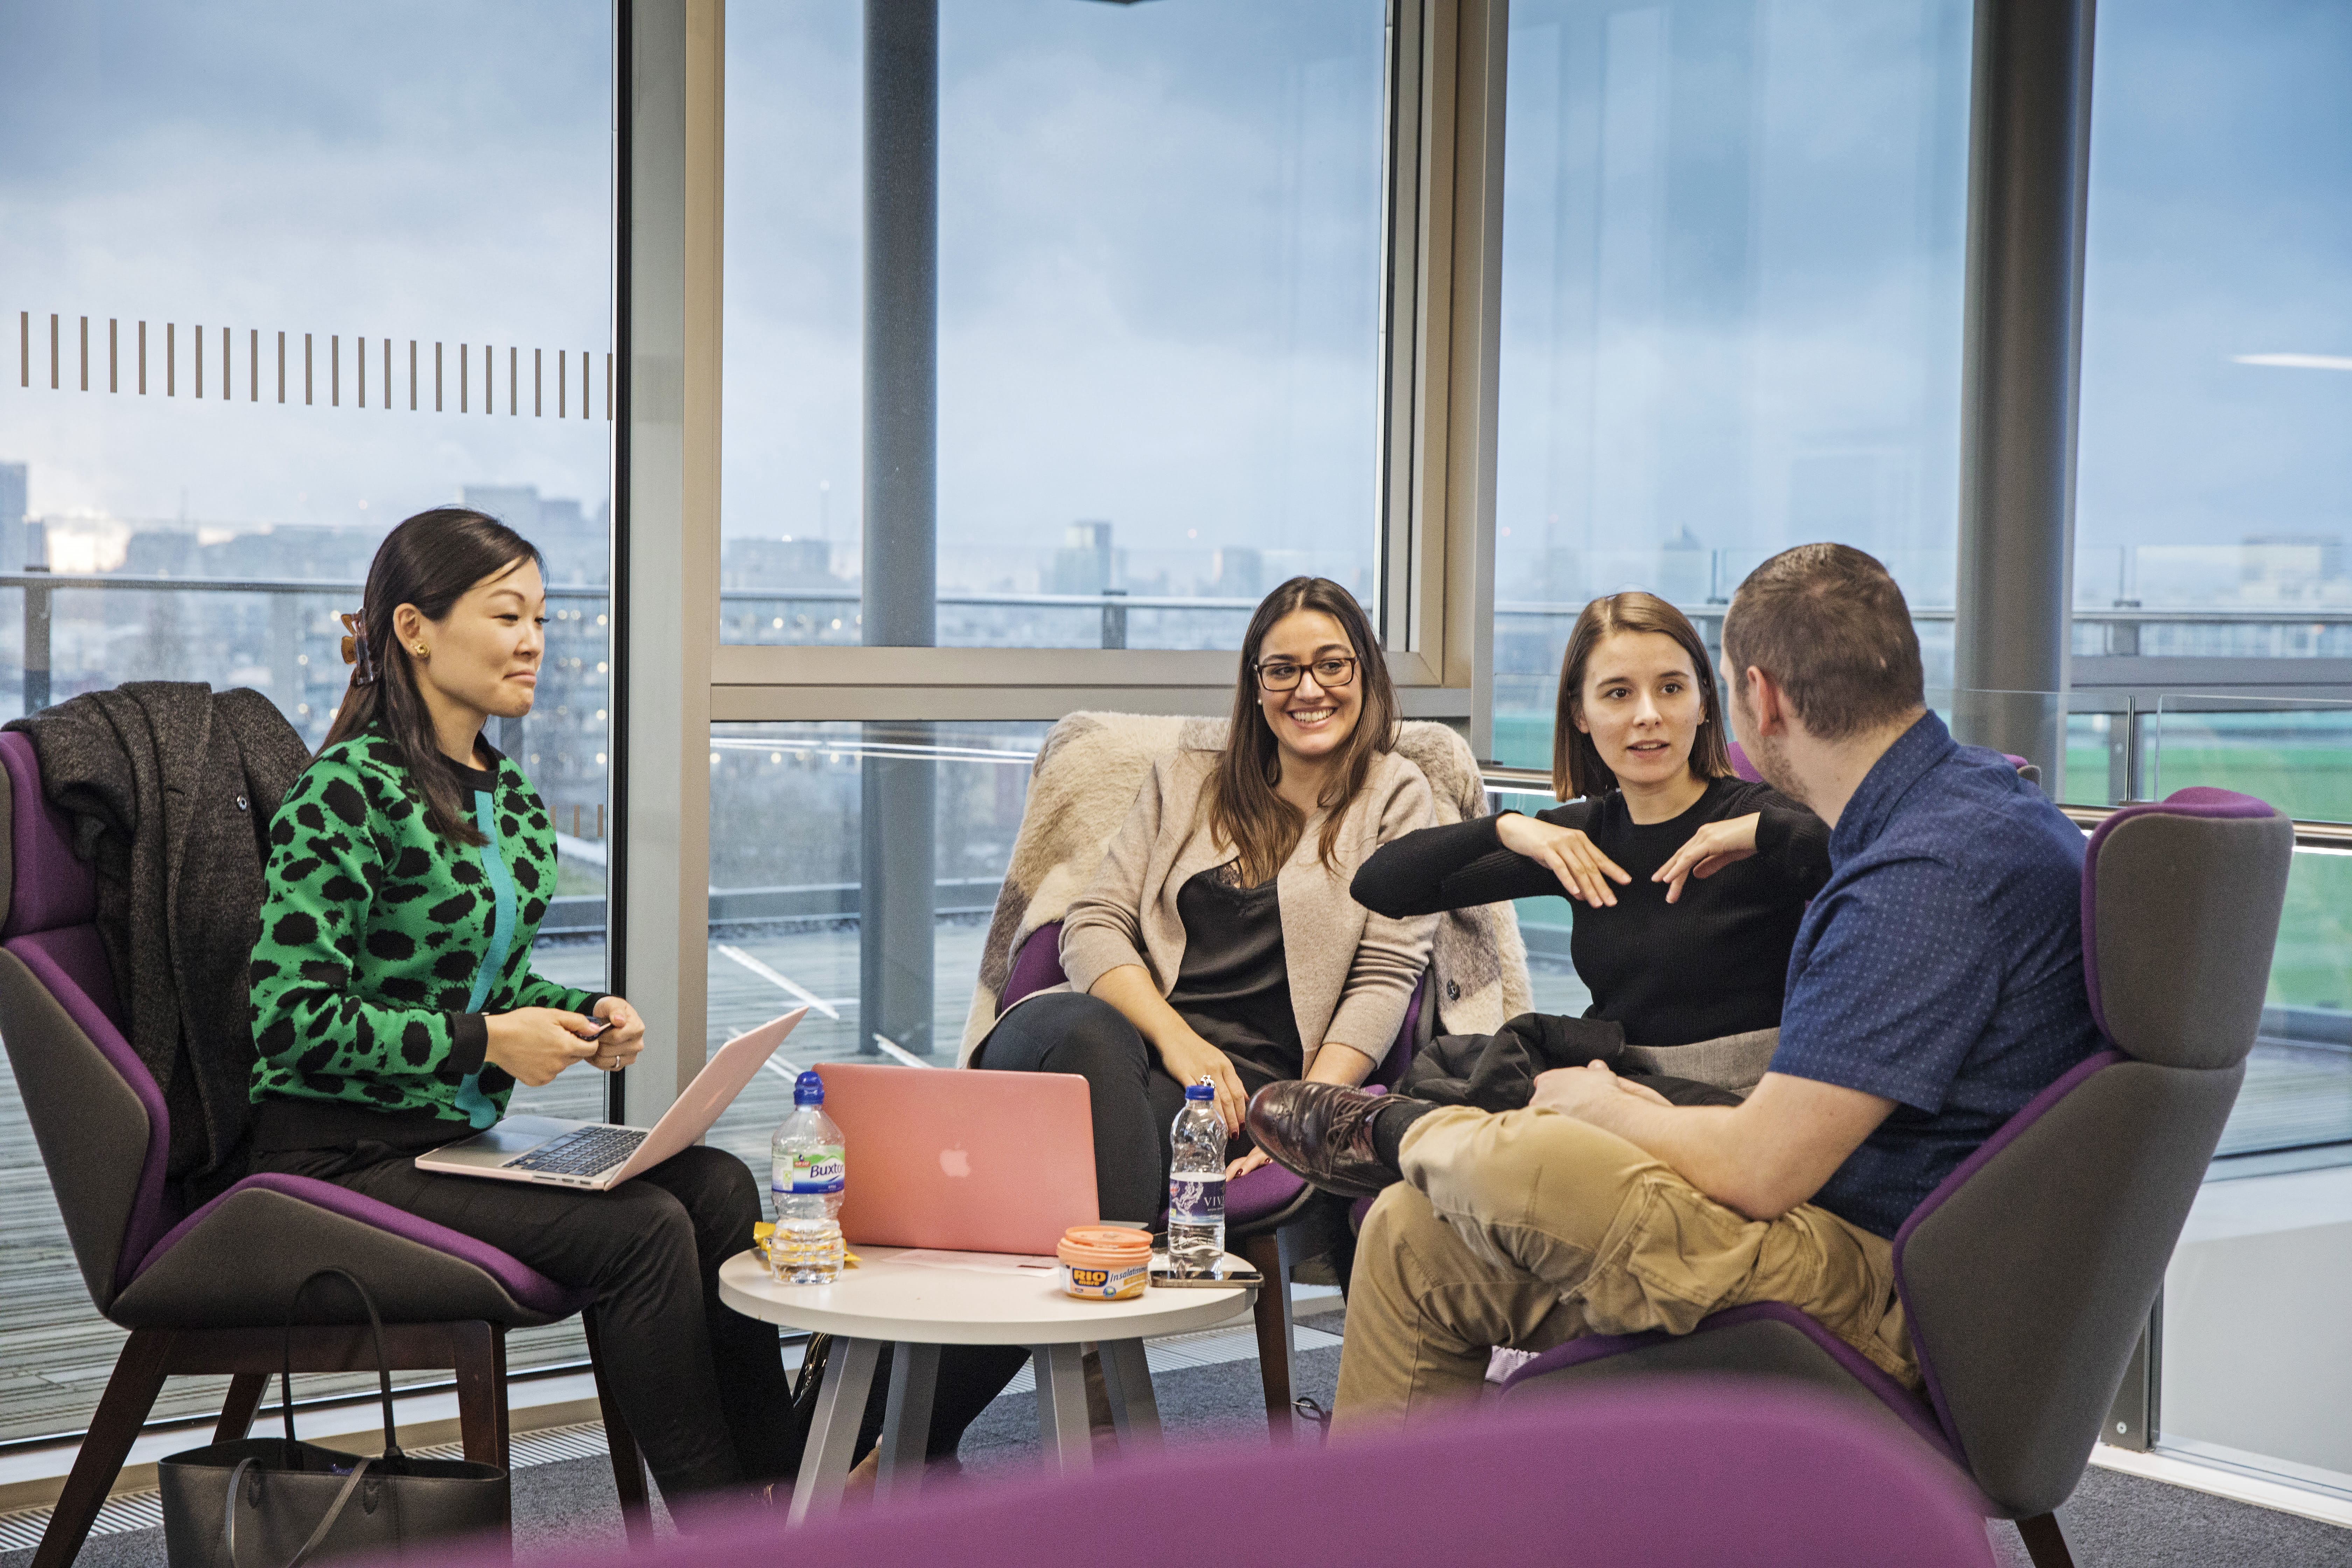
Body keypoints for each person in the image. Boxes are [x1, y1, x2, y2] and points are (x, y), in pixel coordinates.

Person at [1246, 542, 2104, 1430]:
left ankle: (1402, 1129)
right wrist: (1517, 828)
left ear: (1750, 698)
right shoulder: (1963, 813)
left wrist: (1605, 1106)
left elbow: (1761, 1167)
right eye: (1617, 694)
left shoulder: (1919, 872)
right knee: (1403, 1234)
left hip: (1874, 1269)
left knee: (1533, 1143)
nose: (1648, 717)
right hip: (1854, 1222)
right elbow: (1388, 880)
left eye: (1685, 686)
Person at [245, 508, 796, 1508]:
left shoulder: (509, 798)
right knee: (639, 1232)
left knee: (715, 1187)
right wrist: (488, 1041)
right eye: (507, 615)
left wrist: (580, 1014)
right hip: (341, 1155)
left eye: (541, 616)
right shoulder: (345, 793)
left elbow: (489, 989)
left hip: (449, 1140)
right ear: (414, 629)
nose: (534, 640)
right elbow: (290, 1019)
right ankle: (723, 1527)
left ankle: (792, 1496)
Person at [908, 575, 1439, 1463]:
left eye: (1332, 664)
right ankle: (1101, 1429)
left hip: (1244, 1092)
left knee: (1077, 1191)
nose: (1309, 689)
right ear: (1254, 682)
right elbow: (1092, 923)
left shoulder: (1396, 795)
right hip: (1103, 1038)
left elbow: (1387, 979)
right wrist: (1183, 1044)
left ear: (1366, 671)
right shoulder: (1191, 773)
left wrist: (1301, 1109)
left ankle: (894, 1445)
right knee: (1089, 1044)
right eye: (1283, 670)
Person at [1352, 590, 1826, 1065]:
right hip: (1615, 1086)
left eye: (1671, 688)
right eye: (1619, 693)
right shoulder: (1582, 840)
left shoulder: (1760, 816)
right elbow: (1381, 887)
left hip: (1749, 1103)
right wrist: (1504, 828)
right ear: (1580, 713)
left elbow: (1871, 864)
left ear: (1704, 702)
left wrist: (1759, 833)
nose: (1648, 715)